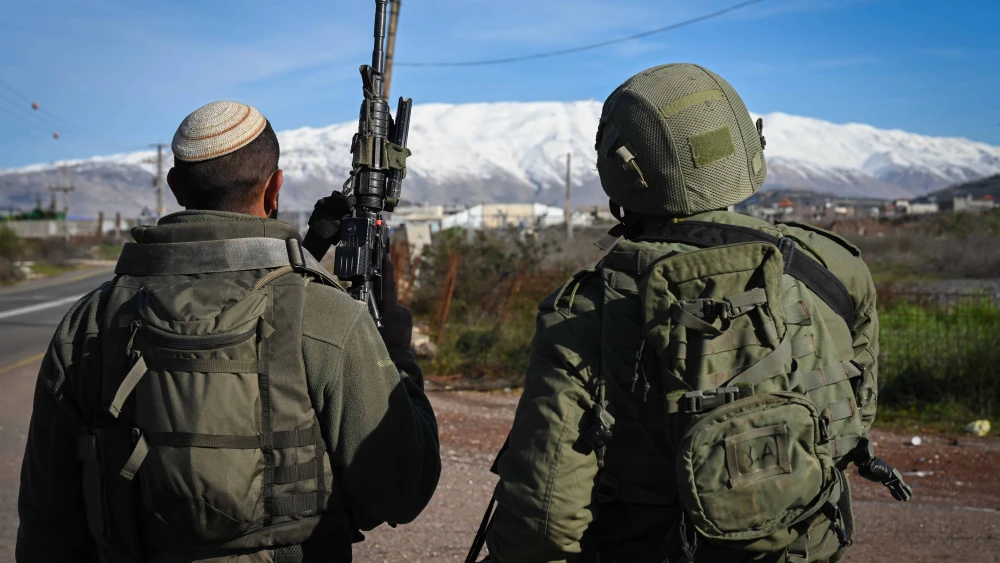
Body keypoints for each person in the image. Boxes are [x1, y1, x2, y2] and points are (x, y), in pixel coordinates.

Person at [485, 64, 888, 563]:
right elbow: (855, 412)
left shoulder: (588, 310)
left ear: (621, 169)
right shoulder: (833, 266)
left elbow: (544, 523)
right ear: (748, 145)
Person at [17, 101, 441, 563]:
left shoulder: (88, 321)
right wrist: (397, 351)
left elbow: (48, 517)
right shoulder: (326, 317)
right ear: (275, 187)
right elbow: (401, 490)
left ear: (175, 187)